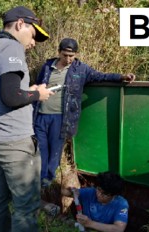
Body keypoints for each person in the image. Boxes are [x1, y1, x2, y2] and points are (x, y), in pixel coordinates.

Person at [0, 6, 56, 232]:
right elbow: (11, 97)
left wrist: (28, 89)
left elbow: (6, 91)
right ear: (20, 24)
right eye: (34, 34)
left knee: (0, 197)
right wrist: (38, 95)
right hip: (15, 141)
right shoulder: (12, 49)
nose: (33, 42)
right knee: (25, 207)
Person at [33, 38, 135, 187]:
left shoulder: (81, 69)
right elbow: (38, 85)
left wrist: (121, 77)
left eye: (71, 56)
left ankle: (47, 179)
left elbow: (101, 77)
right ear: (58, 53)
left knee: (55, 149)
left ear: (76, 54)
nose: (68, 59)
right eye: (65, 55)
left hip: (61, 118)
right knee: (40, 149)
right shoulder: (48, 66)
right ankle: (38, 178)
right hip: (41, 114)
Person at [61, 172, 129, 232]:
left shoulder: (121, 204)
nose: (99, 195)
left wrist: (90, 223)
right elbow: (65, 192)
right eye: (98, 189)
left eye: (104, 194)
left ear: (114, 195)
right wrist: (70, 190)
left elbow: (119, 230)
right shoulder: (90, 192)